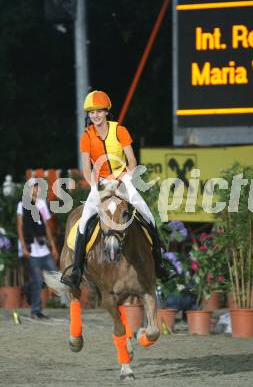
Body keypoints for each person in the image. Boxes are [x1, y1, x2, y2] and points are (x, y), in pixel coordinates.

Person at [61, 90, 175, 289]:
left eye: (99, 111)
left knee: (147, 215)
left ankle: (160, 265)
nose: (95, 115)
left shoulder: (120, 131)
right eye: (91, 112)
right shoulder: (86, 136)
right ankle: (77, 270)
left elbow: (132, 161)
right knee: (83, 222)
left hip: (123, 180)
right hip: (100, 184)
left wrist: (124, 179)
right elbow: (86, 168)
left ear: (106, 113)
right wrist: (95, 186)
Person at [17, 182, 59, 319]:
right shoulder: (22, 204)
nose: (38, 189)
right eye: (35, 186)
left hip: (43, 247)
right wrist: (23, 246)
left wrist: (52, 246)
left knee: (54, 276)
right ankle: (36, 310)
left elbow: (47, 226)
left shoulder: (42, 204)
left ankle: (27, 288)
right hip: (31, 247)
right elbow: (20, 227)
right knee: (37, 279)